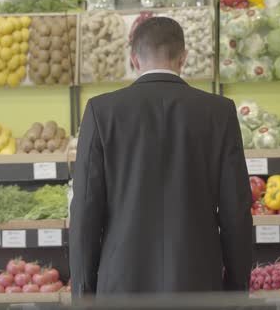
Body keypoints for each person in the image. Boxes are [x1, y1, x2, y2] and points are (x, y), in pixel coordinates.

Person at [69, 17, 252, 298]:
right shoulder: (219, 112)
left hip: (122, 282)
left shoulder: (101, 112)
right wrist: (237, 288)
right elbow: (236, 212)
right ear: (184, 58)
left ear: (134, 60)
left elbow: (85, 212)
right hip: (198, 279)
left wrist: (83, 293)